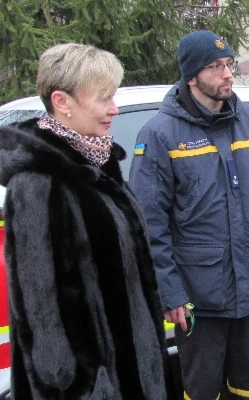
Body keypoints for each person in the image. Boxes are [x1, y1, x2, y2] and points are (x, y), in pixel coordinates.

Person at [128, 30, 249, 400]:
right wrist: (170, 292)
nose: (227, 74)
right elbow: (149, 224)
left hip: (247, 281)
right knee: (202, 388)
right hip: (197, 295)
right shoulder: (159, 134)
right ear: (191, 76)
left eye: (229, 64)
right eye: (215, 67)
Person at [0, 43, 171, 399]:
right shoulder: (38, 183)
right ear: (62, 101)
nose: (115, 108)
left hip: (133, 369)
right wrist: (77, 384)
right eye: (103, 97)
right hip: (92, 386)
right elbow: (40, 310)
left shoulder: (97, 161)